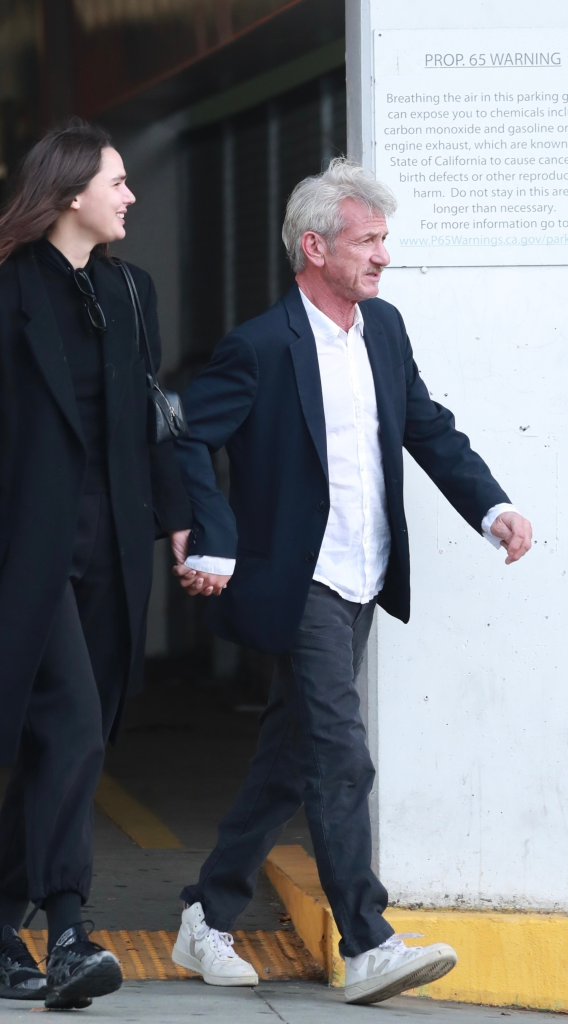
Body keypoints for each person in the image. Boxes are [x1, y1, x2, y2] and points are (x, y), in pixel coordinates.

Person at [169, 158, 532, 1004]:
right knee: (340, 754)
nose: (382, 256)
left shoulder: (385, 330)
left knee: (290, 756)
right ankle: (367, 942)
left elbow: (426, 428)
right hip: (298, 579)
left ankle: (206, 913)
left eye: (383, 240)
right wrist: (209, 535)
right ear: (314, 247)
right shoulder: (260, 345)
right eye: (367, 240)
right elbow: (185, 435)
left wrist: (492, 507)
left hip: (362, 575)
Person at [0, 119, 191, 1009]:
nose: (130, 196)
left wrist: (179, 516)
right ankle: (69, 933)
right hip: (22, 556)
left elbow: (151, 417)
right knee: (72, 727)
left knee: (65, 742)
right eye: (117, 182)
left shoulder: (130, 292)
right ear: (72, 192)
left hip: (109, 544)